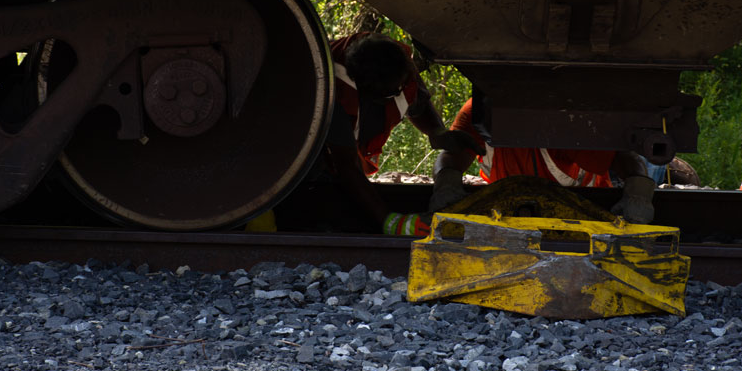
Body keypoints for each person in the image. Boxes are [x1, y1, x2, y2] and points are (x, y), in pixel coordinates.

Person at [274, 32, 484, 235]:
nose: (398, 94)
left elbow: (416, 99)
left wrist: (437, 132)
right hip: (293, 150)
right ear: (367, 91)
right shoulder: (334, 93)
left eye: (400, 87)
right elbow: (346, 166)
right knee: (318, 191)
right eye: (390, 94)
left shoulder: (396, 59)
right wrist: (388, 221)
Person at [428, 97, 660, 223]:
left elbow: (624, 159)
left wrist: (638, 194)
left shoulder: (564, 127)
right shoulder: (478, 113)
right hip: (509, 215)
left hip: (584, 214)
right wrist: (446, 186)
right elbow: (452, 155)